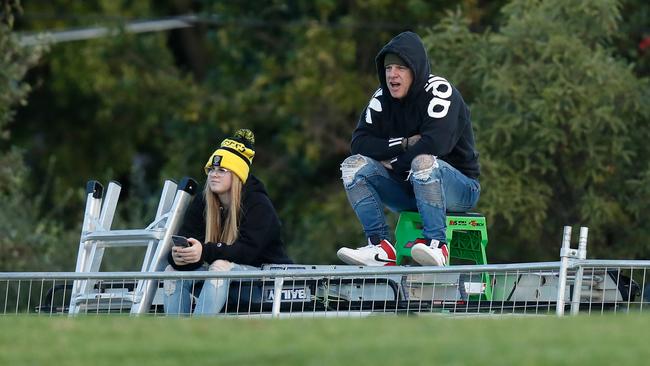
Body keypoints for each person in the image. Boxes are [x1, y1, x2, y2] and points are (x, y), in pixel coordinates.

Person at [336, 31, 480, 267]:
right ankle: (379, 246)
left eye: (401, 68)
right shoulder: (382, 97)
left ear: (416, 70)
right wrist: (401, 144)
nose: (393, 74)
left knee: (423, 162)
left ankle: (437, 244)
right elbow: (359, 142)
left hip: (459, 187)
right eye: (388, 67)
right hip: (408, 185)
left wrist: (394, 163)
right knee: (353, 166)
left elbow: (434, 144)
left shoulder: (440, 92)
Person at [163, 129, 292, 315]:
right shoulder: (203, 201)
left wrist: (203, 251)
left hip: (263, 277)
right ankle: (173, 338)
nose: (214, 175)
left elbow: (246, 252)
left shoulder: (258, 203)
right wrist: (179, 257)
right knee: (171, 272)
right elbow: (190, 241)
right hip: (223, 277)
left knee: (219, 267)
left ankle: (197, 333)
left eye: (222, 170)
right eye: (212, 170)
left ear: (237, 175)